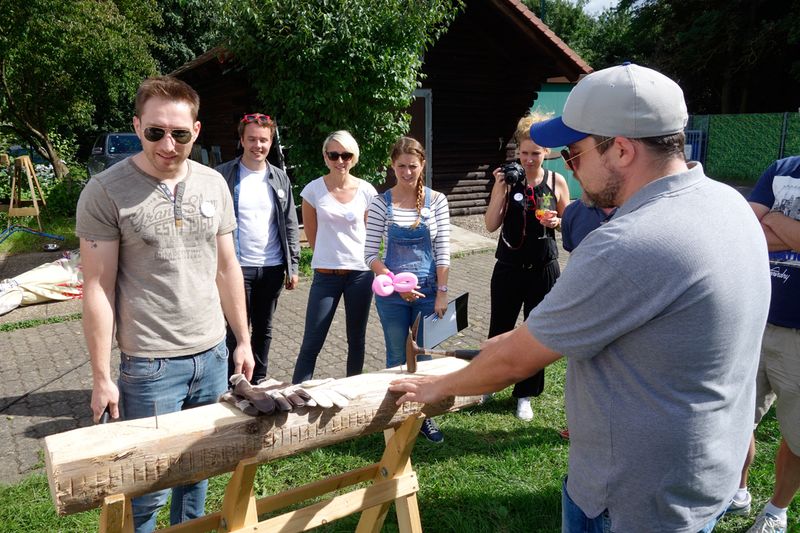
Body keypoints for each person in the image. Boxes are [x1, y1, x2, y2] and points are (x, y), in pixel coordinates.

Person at [389, 63, 771, 531]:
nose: (566, 166)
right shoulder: (729, 203)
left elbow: (515, 362)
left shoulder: (629, 242)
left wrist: (436, 388)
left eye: (573, 154)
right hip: (701, 477)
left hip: (629, 498)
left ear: (623, 150)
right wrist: (516, 340)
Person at [76, 76, 254, 533]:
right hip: (150, 365)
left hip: (213, 354)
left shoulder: (214, 184)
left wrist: (243, 340)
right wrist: (101, 377)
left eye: (179, 134)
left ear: (196, 130)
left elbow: (227, 268)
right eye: (155, 132)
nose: (168, 145)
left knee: (197, 473)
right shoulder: (106, 191)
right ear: (137, 126)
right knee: (145, 487)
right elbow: (97, 288)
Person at [730, 156, 800, 533]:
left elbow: (759, 226)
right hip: (753, 318)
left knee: (798, 436)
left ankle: (776, 510)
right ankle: (737, 492)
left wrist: (772, 218)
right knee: (735, 417)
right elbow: (745, 229)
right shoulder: (782, 169)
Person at [484, 112, 569, 421]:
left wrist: (557, 222)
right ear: (517, 151)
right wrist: (499, 189)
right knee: (500, 327)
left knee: (536, 333)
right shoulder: (509, 180)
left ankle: (525, 394)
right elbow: (490, 224)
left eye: (536, 153)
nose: (530, 159)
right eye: (524, 153)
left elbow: (568, 223)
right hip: (508, 266)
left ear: (546, 151)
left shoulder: (556, 181)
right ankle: (490, 383)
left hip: (543, 267)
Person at [365, 136, 450, 443]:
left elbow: (443, 250)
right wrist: (396, 284)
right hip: (391, 295)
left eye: (413, 166)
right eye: (401, 166)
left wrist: (442, 292)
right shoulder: (380, 203)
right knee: (397, 355)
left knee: (424, 356)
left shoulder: (437, 201)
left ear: (422, 165)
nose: (407, 172)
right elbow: (370, 255)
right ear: (393, 166)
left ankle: (423, 417)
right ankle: (397, 418)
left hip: (428, 292)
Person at [215, 113, 300, 384]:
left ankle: (259, 380)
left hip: (272, 267)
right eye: (251, 139)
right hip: (236, 267)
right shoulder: (223, 176)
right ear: (242, 140)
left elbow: (290, 223)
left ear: (271, 141)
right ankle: (233, 381)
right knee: (235, 330)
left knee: (264, 329)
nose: (258, 145)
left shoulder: (279, 178)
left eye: (263, 140)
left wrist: (293, 265)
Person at [291, 131, 377, 383]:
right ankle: (297, 393)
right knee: (311, 342)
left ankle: (353, 390)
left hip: (360, 275)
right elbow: (312, 236)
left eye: (346, 155)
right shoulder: (312, 191)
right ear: (325, 157)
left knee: (356, 339)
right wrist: (329, 256)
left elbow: (371, 234)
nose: (340, 160)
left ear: (354, 157)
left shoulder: (367, 191)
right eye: (334, 155)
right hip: (326, 276)